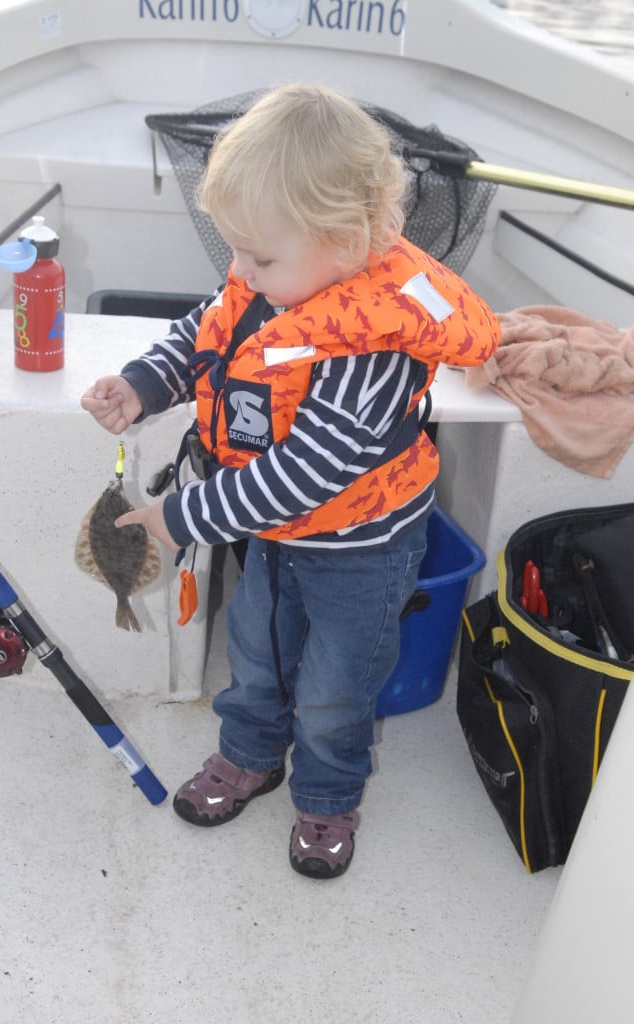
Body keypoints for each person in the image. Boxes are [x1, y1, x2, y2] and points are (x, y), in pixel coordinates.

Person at [81, 82, 499, 879]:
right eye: (236, 248)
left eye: (258, 256)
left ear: (347, 241)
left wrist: (186, 515)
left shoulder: (367, 345)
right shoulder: (267, 282)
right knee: (257, 653)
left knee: (338, 683)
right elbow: (201, 337)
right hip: (271, 535)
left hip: (359, 549)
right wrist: (142, 384)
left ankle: (327, 795)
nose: (237, 269)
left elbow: (306, 473)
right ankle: (248, 756)